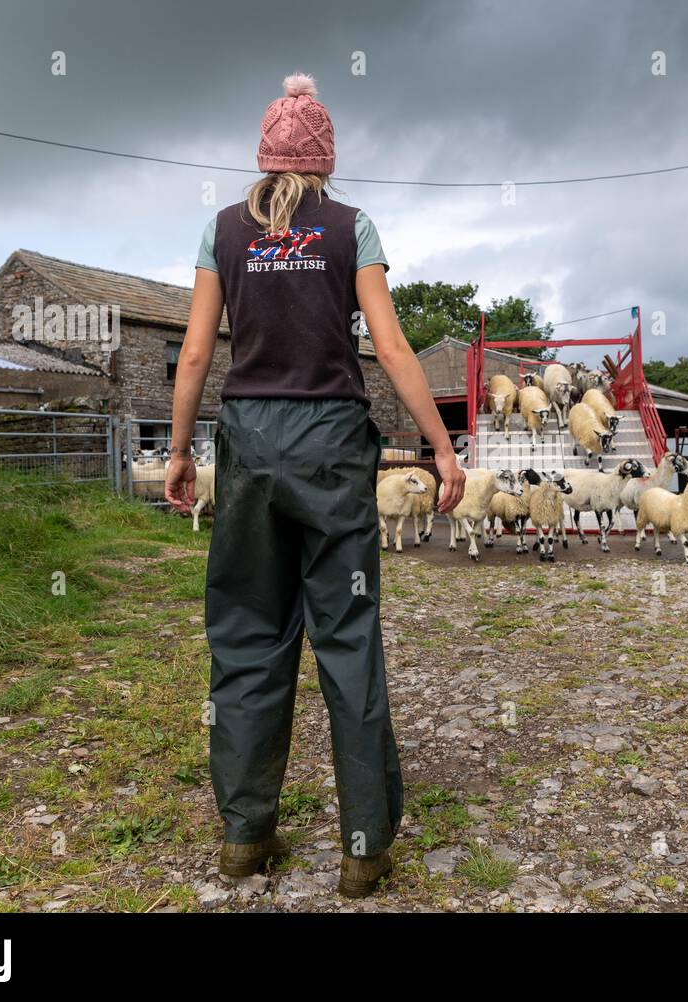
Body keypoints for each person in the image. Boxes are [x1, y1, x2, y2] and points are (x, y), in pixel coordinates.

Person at [164, 73, 465, 898]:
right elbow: (394, 349)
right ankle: (364, 849)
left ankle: (244, 836)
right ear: (325, 159)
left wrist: (182, 450)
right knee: (346, 640)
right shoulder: (350, 226)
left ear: (262, 155)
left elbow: (195, 354)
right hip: (332, 444)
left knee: (249, 637)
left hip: (251, 446)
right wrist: (442, 450)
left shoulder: (222, 230)